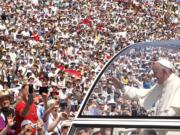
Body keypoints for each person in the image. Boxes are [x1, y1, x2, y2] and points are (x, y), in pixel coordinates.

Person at [109, 59, 180, 116]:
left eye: (155, 72)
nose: (154, 76)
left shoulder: (177, 85)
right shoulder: (161, 84)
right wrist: (122, 87)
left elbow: (170, 115)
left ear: (165, 72)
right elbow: (142, 93)